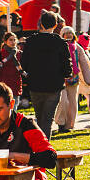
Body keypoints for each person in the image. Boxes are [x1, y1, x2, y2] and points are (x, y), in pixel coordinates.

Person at [21, 10, 73, 138]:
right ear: (55, 26)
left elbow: (24, 63)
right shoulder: (60, 43)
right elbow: (66, 64)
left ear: (41, 24)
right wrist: (67, 73)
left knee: (39, 117)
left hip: (35, 84)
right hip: (54, 85)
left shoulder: (31, 41)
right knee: (48, 119)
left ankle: (40, 146)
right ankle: (45, 147)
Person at [54, 27, 90, 133]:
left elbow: (84, 62)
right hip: (61, 77)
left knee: (73, 103)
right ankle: (60, 123)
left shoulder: (77, 47)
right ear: (62, 35)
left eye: (70, 33)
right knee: (63, 101)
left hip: (74, 77)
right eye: (65, 33)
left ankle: (69, 125)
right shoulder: (58, 46)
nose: (68, 35)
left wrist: (87, 78)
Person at [0, 32, 24, 104]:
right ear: (5, 41)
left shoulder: (20, 54)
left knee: (14, 107)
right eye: (10, 40)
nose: (13, 42)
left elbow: (24, 68)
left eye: (14, 40)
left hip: (15, 84)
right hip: (3, 86)